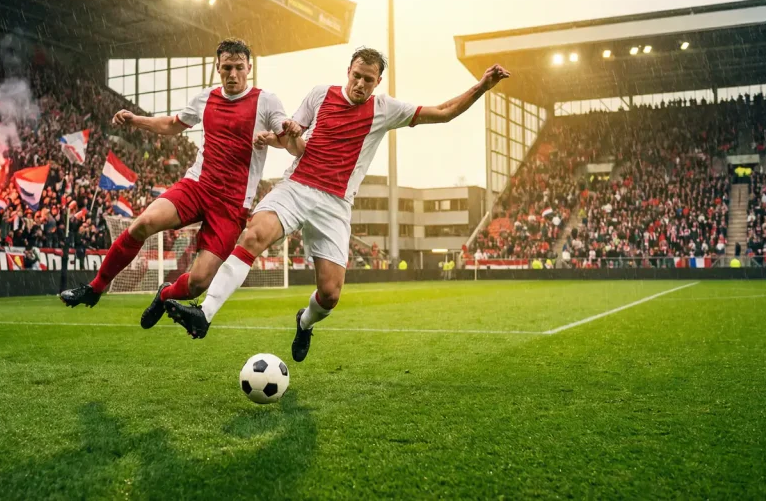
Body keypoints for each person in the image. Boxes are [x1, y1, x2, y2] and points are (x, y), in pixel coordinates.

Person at [164, 48, 510, 361]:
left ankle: (305, 321)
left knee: (329, 295)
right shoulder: (319, 95)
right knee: (252, 236)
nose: (360, 84)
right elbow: (292, 136)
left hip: (335, 204)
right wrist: (284, 134)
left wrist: (481, 86)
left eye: (368, 80)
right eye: (356, 76)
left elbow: (444, 112)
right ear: (348, 71)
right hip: (296, 187)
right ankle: (205, 313)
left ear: (378, 82)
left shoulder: (385, 109)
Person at [59, 38, 292, 326]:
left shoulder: (266, 101)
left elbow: (287, 140)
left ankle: (164, 295)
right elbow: (172, 125)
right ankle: (95, 288)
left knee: (198, 284)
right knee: (142, 223)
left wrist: (276, 137)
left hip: (232, 205)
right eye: (227, 68)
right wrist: (136, 119)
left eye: (239, 68)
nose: (233, 74)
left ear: (249, 68)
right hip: (197, 186)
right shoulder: (206, 98)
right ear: (218, 67)